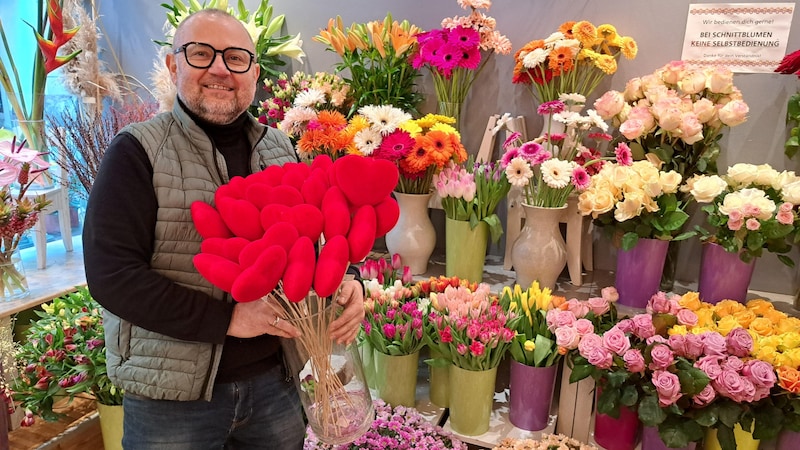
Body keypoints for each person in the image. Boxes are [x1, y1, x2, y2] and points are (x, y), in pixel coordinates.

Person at [82, 8, 364, 449]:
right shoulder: (137, 152)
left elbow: (321, 237)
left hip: (278, 382)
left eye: (235, 58)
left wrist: (350, 280)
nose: (219, 68)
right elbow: (112, 277)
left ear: (253, 72)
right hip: (172, 400)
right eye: (201, 54)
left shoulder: (280, 147)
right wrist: (229, 318)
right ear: (174, 65)